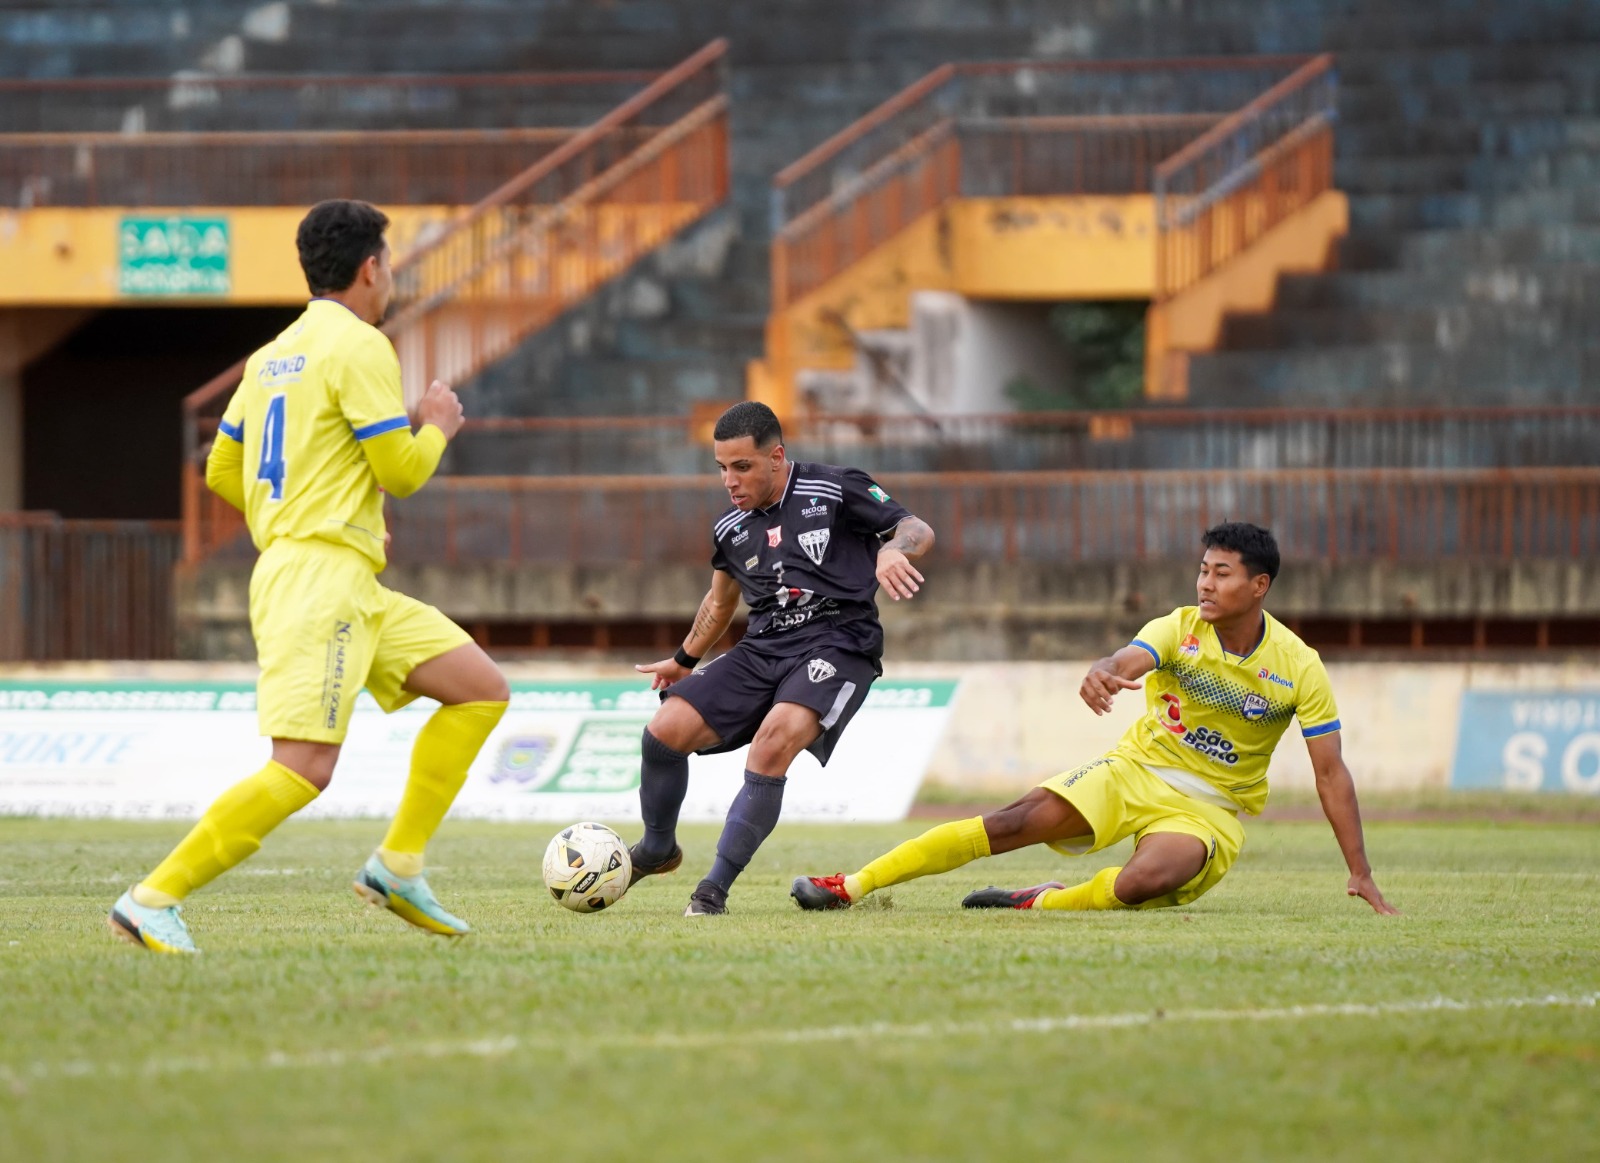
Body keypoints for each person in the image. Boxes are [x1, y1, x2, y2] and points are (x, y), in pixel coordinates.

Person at [108, 199, 509, 954]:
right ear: (371, 268)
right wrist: (437, 425)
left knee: (479, 687)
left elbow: (223, 467)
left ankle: (398, 865)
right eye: (389, 264)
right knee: (304, 767)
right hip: (320, 579)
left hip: (336, 569)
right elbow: (403, 470)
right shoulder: (361, 344)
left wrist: (307, 508)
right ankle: (151, 896)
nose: (390, 277)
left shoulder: (272, 356)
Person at [793, 522, 1398, 917]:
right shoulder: (1180, 626)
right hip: (1134, 770)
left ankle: (1043, 903)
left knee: (1147, 880)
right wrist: (1104, 669)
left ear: (1259, 585)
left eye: (1222, 573)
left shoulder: (1299, 666)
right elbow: (1131, 655)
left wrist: (1360, 871)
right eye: (1203, 570)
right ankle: (852, 885)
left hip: (1210, 808)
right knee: (1011, 822)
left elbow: (1331, 775)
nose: (1205, 584)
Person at [629, 401, 936, 916]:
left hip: (840, 643)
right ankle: (658, 848)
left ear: (776, 456)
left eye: (742, 466)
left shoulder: (835, 487)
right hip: (764, 646)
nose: (730, 480)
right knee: (664, 731)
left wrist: (891, 549)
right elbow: (721, 603)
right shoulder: (730, 528)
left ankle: (712, 891)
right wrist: (684, 660)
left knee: (772, 744)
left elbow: (916, 529)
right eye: (722, 468)